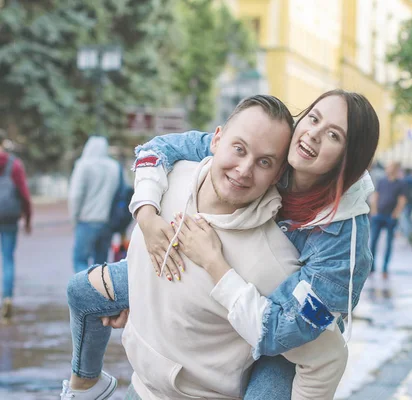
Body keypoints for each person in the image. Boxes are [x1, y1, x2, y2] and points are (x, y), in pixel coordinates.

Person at [61, 91, 380, 399]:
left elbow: (286, 331)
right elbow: (159, 149)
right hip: (208, 284)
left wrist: (215, 263)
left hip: (284, 333)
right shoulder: (267, 148)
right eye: (313, 118)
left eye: (334, 136)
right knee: (86, 290)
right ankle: (86, 386)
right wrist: (146, 218)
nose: (313, 134)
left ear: (349, 161)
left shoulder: (342, 244)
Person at [68, 137, 120, 273]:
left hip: (86, 221)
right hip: (107, 222)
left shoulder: (83, 165)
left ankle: (84, 291)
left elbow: (75, 195)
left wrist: (74, 218)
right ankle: (98, 293)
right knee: (101, 266)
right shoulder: (114, 167)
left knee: (80, 260)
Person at [0, 131, 32, 323]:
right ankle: (8, 299)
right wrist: (27, 218)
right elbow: (24, 194)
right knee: (8, 259)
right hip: (10, 217)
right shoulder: (14, 164)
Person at [369, 162, 405, 279]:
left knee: (388, 243)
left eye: (390, 167)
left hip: (390, 217)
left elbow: (402, 201)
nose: (388, 169)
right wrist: (374, 211)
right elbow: (376, 195)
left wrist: (395, 214)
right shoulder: (382, 181)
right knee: (373, 241)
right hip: (378, 215)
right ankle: (371, 266)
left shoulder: (400, 184)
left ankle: (385, 267)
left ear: (395, 169)